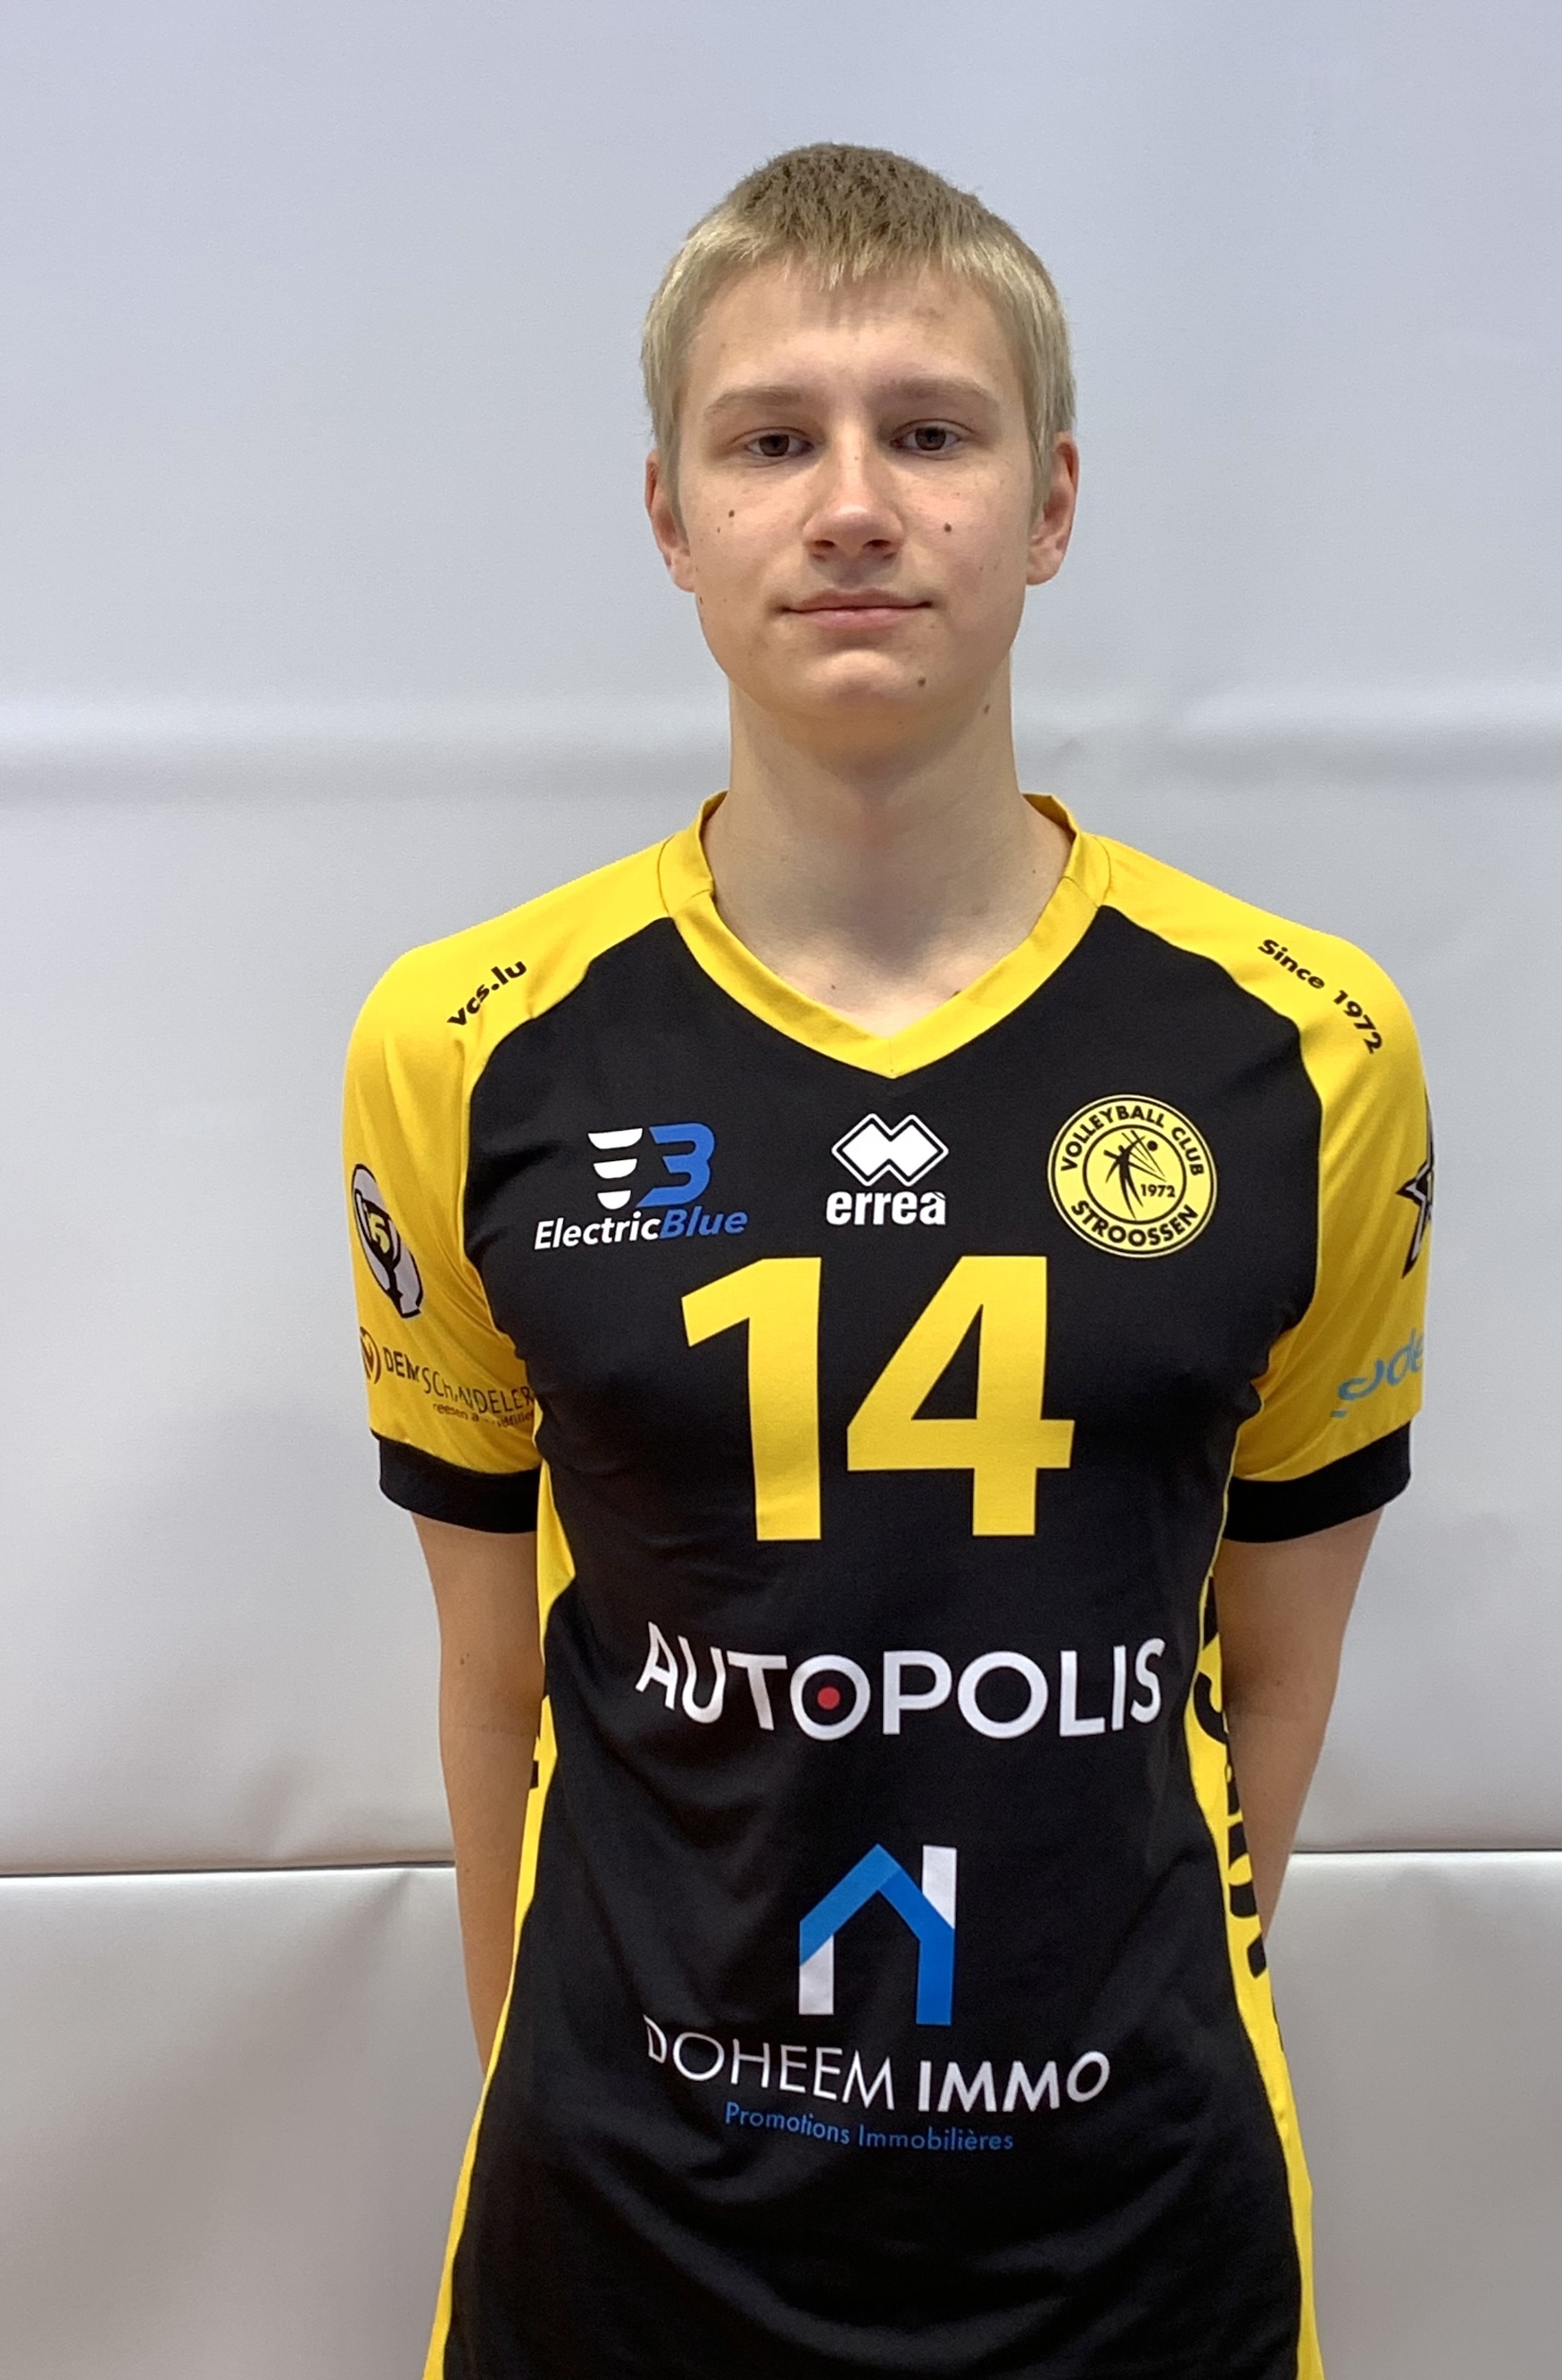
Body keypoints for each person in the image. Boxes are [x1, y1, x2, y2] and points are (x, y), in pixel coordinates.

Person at [345, 143, 1432, 2380]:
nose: (852, 504)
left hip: (1131, 2244)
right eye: (771, 440)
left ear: (1048, 505)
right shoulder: (464, 1045)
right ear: (671, 515)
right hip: (620, 2228)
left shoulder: (1306, 1045)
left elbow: (1270, 1674)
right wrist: (561, 2092)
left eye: (929, 431)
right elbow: (489, 1681)